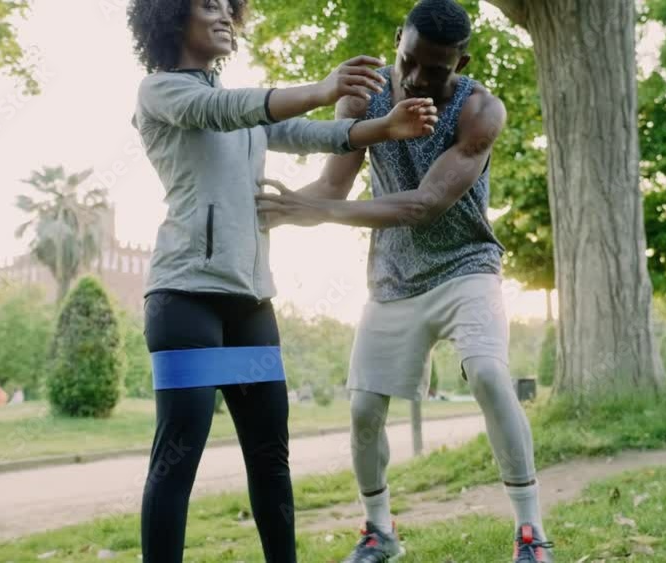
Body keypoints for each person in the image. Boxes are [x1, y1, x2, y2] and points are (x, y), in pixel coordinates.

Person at [126, 1, 438, 561]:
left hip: (250, 304)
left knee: (270, 457)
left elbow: (306, 132)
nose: (224, 16)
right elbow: (223, 110)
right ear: (171, 17)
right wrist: (322, 88)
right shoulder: (161, 92)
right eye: (207, 4)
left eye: (228, 6)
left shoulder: (242, 106)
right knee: (178, 457)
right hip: (185, 300)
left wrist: (384, 128)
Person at [256, 1, 551, 561]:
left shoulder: (480, 110)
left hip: (467, 266)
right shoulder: (363, 98)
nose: (415, 78)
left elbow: (423, 205)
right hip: (393, 278)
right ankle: (379, 532)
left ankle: (530, 533)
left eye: (434, 70)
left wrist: (312, 211)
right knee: (363, 410)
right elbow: (332, 189)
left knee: (489, 375)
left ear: (461, 63)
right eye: (408, 61)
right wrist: (277, 208)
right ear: (398, 40)